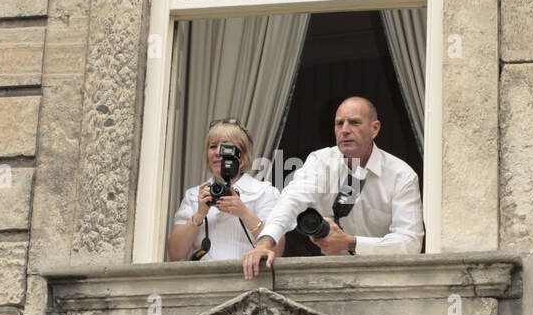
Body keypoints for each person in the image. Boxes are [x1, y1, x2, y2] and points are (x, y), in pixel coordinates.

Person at [242, 96, 423, 279]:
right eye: (339, 124)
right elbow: (291, 200)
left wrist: (350, 243)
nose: (345, 130)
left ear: (374, 128)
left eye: (354, 122)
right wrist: (264, 244)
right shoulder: (321, 162)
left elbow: (410, 242)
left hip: (385, 278)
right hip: (331, 277)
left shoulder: (401, 175)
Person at [167, 119, 284, 263]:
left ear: (241, 156)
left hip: (249, 279)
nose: (217, 152)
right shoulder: (194, 194)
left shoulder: (264, 192)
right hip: (204, 281)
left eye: (225, 147)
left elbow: (278, 250)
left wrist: (244, 212)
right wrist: (199, 215)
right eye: (212, 146)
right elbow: (175, 253)